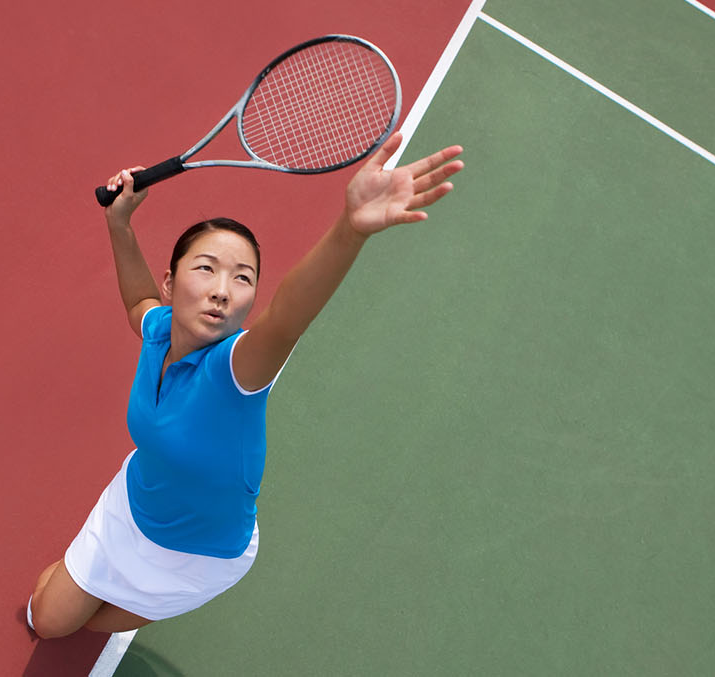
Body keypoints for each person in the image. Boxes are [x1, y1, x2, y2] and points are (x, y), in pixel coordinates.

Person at [27, 132, 463, 639]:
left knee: (82, 627)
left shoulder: (235, 371)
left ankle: (101, 587)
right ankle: (86, 571)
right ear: (172, 284)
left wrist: (350, 230)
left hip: (198, 557)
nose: (221, 291)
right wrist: (119, 222)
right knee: (46, 620)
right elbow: (136, 304)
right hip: (135, 505)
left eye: (242, 279)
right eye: (206, 269)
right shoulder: (160, 329)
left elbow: (287, 319)